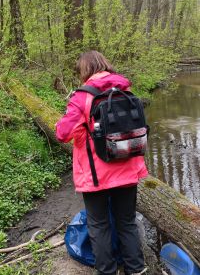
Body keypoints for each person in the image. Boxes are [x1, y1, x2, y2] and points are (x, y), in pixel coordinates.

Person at [55, 51, 148, 275]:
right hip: (128, 169)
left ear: (84, 70)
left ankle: (107, 271)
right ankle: (136, 270)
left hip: (96, 175)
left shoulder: (82, 97)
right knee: (126, 222)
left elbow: (62, 133)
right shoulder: (126, 90)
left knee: (99, 225)